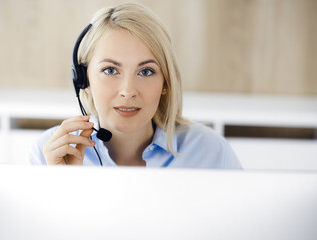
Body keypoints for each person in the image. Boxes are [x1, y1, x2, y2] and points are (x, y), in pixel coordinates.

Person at [29, 3, 242, 169]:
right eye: (110, 70)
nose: (128, 91)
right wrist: (59, 185)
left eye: (146, 71)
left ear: (165, 83)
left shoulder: (212, 152)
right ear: (84, 81)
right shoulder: (49, 153)